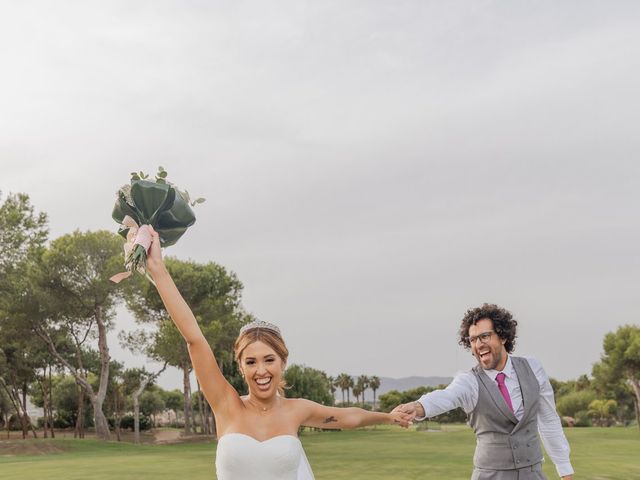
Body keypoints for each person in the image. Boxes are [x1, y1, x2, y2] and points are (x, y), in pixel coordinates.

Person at [144, 227, 411, 480]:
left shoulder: (298, 410)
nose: (261, 370)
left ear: (282, 362)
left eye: (269, 360)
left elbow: (348, 417)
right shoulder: (226, 405)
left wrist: (387, 416)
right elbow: (195, 339)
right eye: (251, 362)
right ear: (241, 367)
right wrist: (157, 269)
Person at [393, 303, 574, 480]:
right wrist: (417, 406)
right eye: (473, 339)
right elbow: (447, 396)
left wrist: (565, 470)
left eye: (484, 336)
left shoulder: (533, 368)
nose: (478, 344)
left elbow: (549, 420)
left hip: (533, 474)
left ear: (503, 337)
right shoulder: (469, 381)